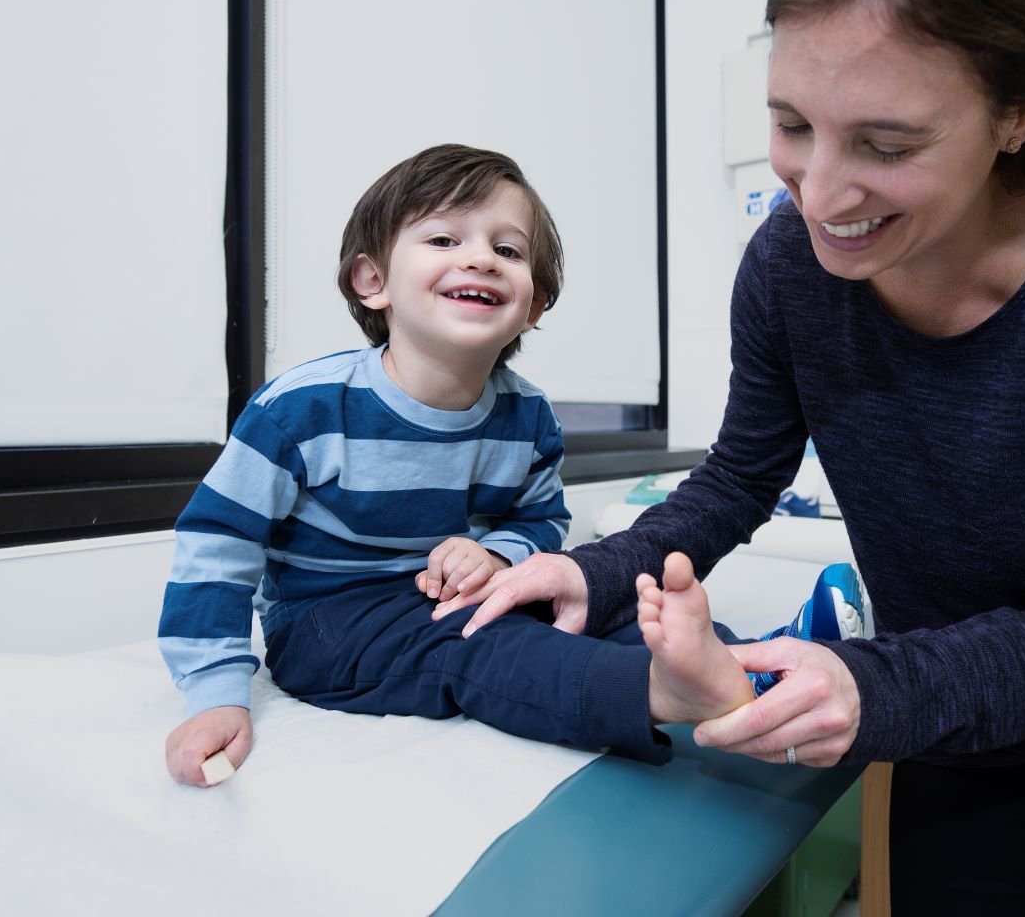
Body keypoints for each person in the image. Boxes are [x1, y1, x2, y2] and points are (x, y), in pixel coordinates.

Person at [432, 0, 1025, 913]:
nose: (819, 194)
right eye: (790, 124)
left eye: (884, 144)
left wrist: (875, 687)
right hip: (969, 715)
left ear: (1022, 110)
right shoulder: (788, 270)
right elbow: (740, 477)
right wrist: (594, 569)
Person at [157, 143, 831, 788]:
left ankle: (759, 665)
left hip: (457, 594)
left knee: (599, 607)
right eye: (444, 240)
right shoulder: (299, 411)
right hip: (328, 622)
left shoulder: (527, 417)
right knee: (483, 643)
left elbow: (539, 518)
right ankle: (662, 693)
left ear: (533, 305)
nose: (479, 259)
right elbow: (217, 545)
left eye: (506, 250)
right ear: (373, 281)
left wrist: (502, 558)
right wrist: (215, 691)